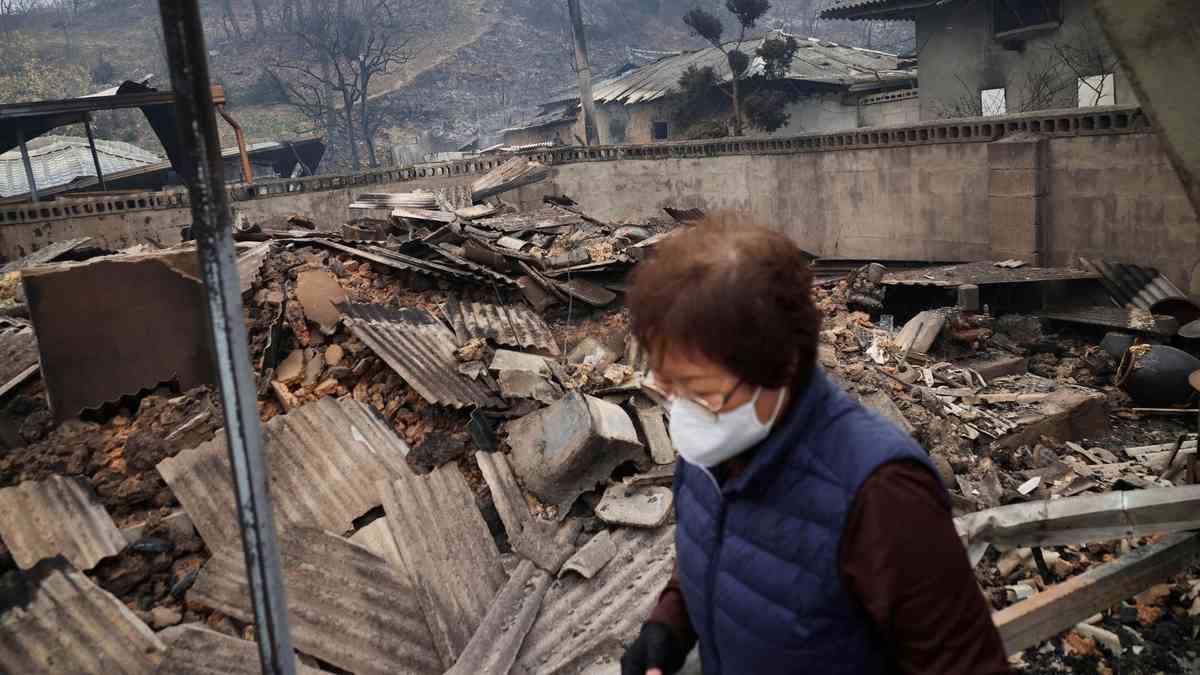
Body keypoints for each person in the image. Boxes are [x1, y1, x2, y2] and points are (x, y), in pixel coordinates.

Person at [619, 222, 1010, 675]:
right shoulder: (710, 441)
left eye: (701, 391)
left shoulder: (882, 494)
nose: (683, 411)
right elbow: (718, 545)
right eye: (670, 388)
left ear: (782, 366)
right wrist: (668, 626)